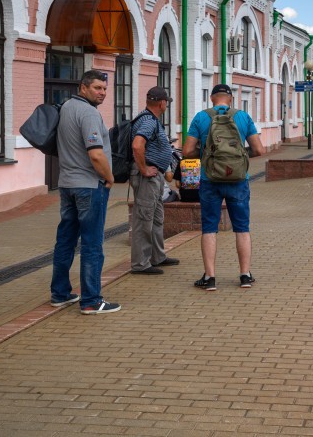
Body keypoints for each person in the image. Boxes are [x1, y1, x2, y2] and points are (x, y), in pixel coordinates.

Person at [50, 69, 120, 314]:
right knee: (92, 244)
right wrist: (110, 177)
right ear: (83, 87)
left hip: (67, 183)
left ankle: (59, 293)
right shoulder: (89, 113)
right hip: (89, 186)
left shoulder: (66, 107)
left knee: (65, 240)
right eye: (97, 88)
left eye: (104, 89)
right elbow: (95, 154)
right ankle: (91, 300)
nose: (102, 93)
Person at [183, 84, 265, 290]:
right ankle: (245, 275)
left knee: (209, 228)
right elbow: (259, 149)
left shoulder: (201, 118)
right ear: (230, 99)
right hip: (238, 180)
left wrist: (205, 156)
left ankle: (210, 278)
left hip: (210, 180)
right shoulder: (243, 117)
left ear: (211, 99)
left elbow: (187, 151)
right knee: (242, 228)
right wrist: (240, 159)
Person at [128, 86, 180, 275]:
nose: (167, 105)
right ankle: (140, 264)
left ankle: (158, 256)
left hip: (155, 175)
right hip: (146, 177)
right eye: (167, 102)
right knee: (144, 219)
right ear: (161, 103)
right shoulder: (149, 121)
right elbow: (137, 145)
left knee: (156, 218)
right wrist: (143, 168)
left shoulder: (150, 119)